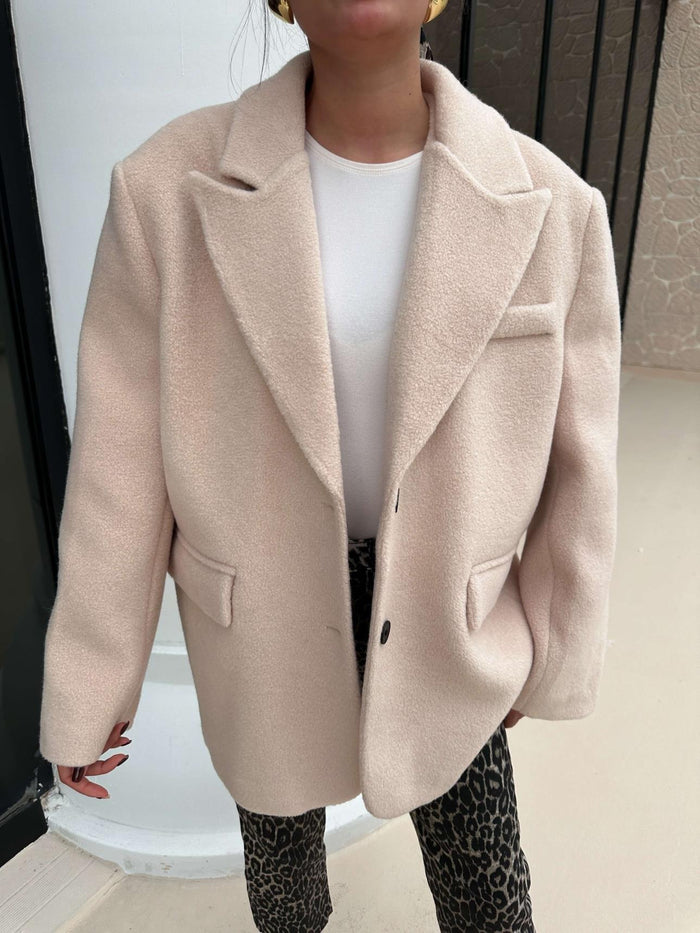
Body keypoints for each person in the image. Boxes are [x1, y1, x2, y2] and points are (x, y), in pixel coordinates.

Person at [39, 1, 622, 930]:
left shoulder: (555, 208)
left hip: (450, 619)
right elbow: (119, 471)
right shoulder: (163, 192)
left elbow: (580, 468)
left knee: (490, 899)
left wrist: (548, 651)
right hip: (260, 620)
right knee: (284, 892)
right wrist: (89, 682)